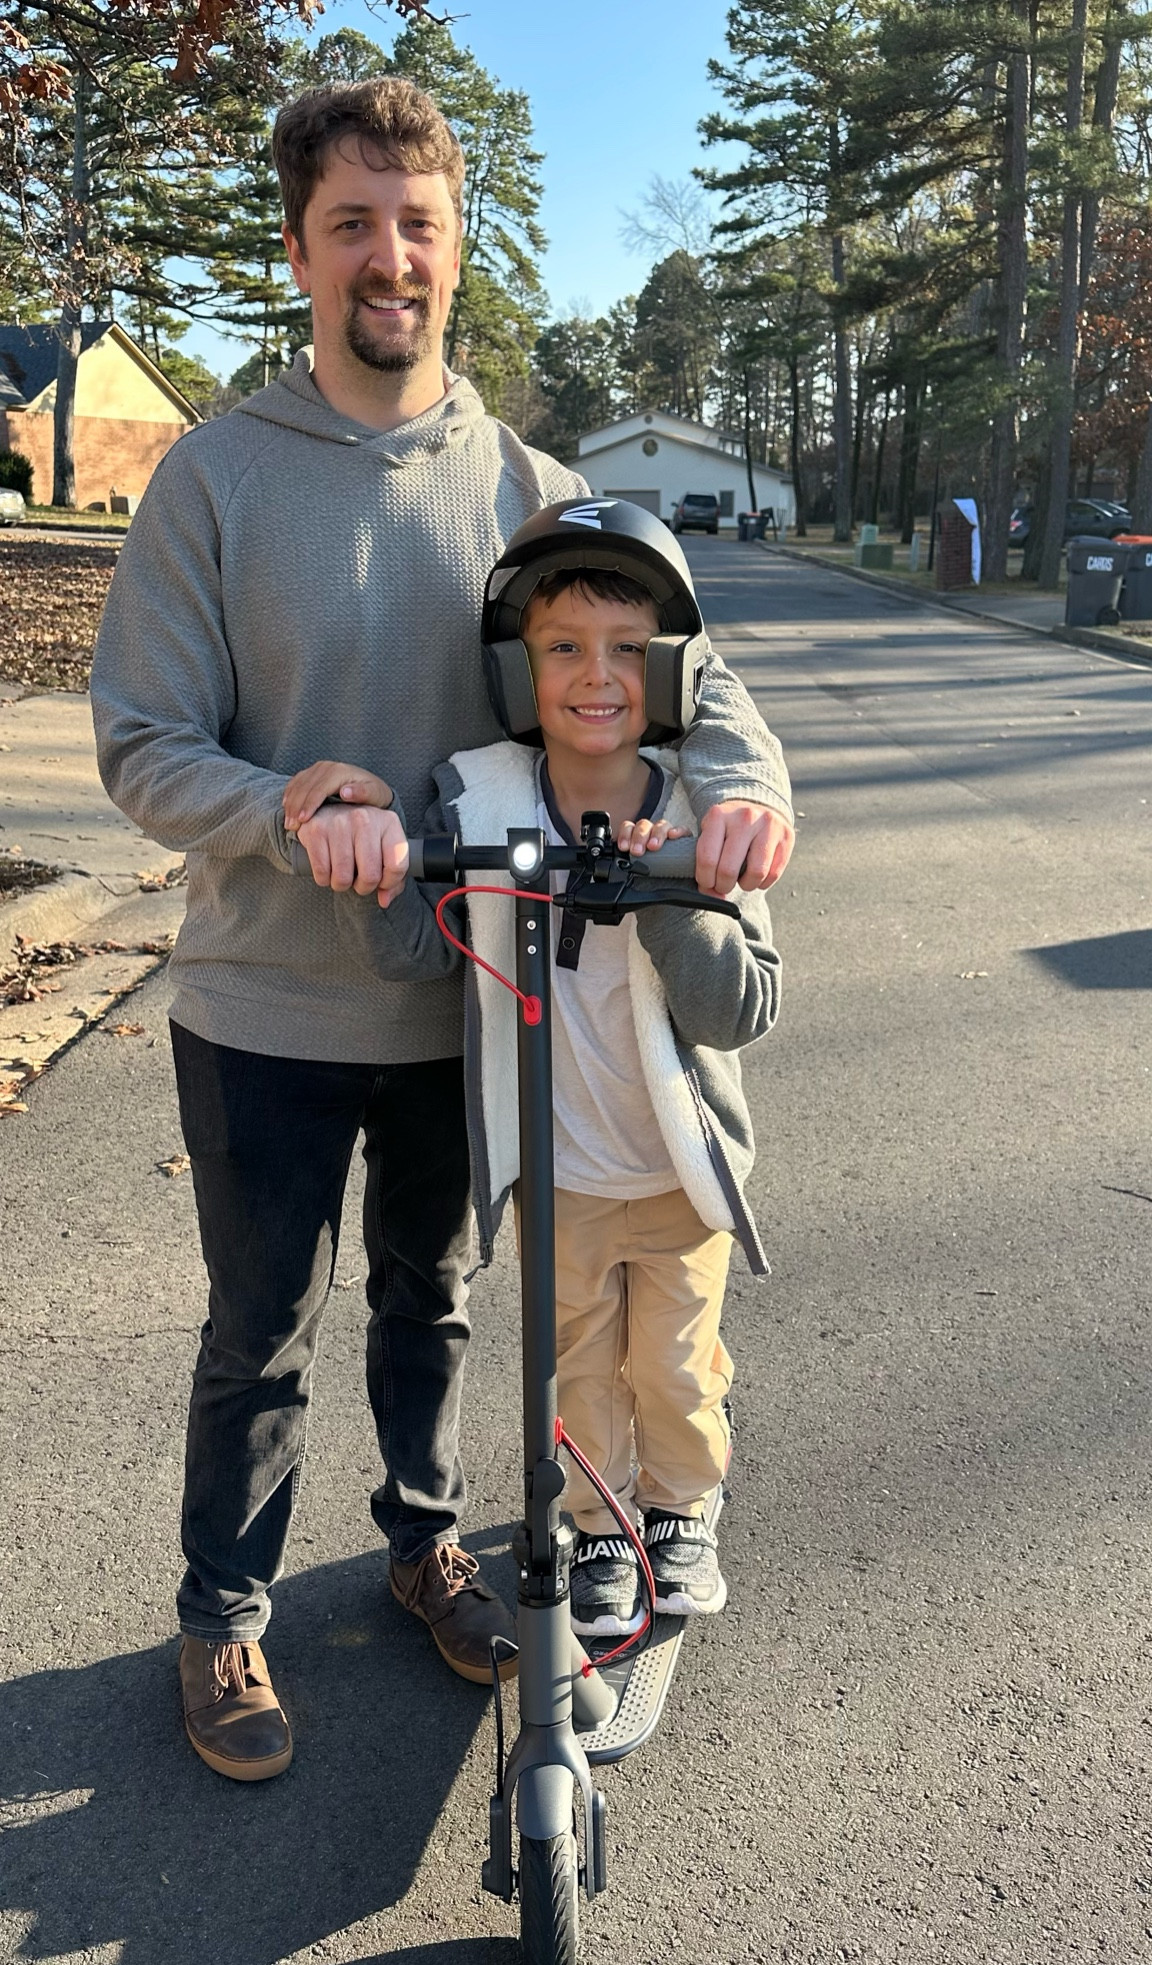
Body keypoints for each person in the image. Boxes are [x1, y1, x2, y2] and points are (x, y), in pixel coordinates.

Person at [89, 75, 795, 1784]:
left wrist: (745, 802)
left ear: (455, 249)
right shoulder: (213, 480)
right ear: (300, 250)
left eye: (415, 225)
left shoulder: (533, 486)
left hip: (466, 1008)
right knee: (261, 1324)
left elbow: (695, 697)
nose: (384, 258)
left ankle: (423, 1543)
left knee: (439, 1301)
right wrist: (284, 803)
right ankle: (223, 1611)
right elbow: (140, 742)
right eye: (350, 225)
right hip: (261, 1000)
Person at [317, 502, 781, 1635]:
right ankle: (600, 1517)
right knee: (574, 1375)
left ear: (668, 671)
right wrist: (381, 882)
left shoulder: (701, 812)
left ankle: (680, 1509)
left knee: (673, 1370)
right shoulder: (483, 803)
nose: (597, 677)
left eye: (628, 651)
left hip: (677, 1176)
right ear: (519, 671)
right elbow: (424, 947)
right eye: (564, 647)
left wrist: (677, 894)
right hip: (558, 1174)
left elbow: (744, 1007)